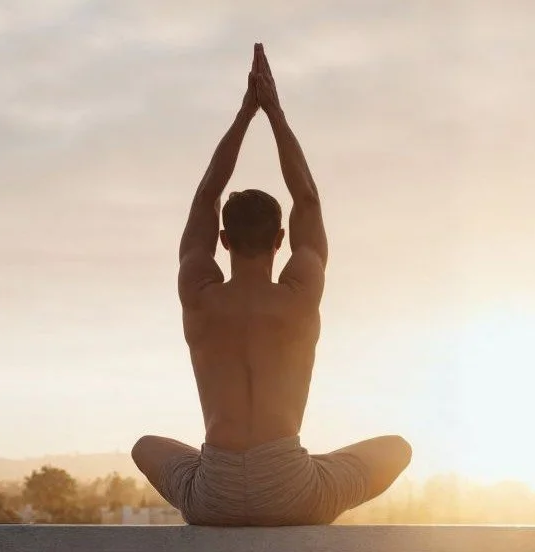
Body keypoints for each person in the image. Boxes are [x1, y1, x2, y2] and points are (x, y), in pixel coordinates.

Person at [131, 44, 411, 526]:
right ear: (281, 239)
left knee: (145, 446)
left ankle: (267, 472)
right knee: (397, 448)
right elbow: (308, 199)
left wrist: (245, 115)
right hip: (291, 491)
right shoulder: (300, 296)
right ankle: (302, 469)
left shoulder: (198, 294)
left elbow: (205, 196)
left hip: (214, 496)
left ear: (223, 240)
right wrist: (274, 113)